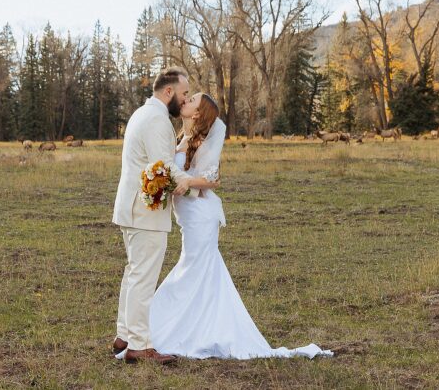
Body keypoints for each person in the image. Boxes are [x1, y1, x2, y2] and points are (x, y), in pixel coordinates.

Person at [148, 93, 333, 360]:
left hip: (201, 214)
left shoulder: (204, 140)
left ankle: (175, 327)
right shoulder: (183, 137)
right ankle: (197, 325)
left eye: (192, 101)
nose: (185, 101)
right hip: (187, 216)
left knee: (194, 268)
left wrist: (187, 183)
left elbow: (213, 178)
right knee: (200, 270)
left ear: (198, 114)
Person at [110, 66, 197, 364]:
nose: (185, 100)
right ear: (169, 91)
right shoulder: (158, 120)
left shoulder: (142, 114)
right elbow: (164, 168)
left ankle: (125, 334)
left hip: (131, 207)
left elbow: (156, 159)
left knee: (134, 272)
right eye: (184, 94)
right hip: (144, 210)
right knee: (143, 278)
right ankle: (139, 345)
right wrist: (195, 190)